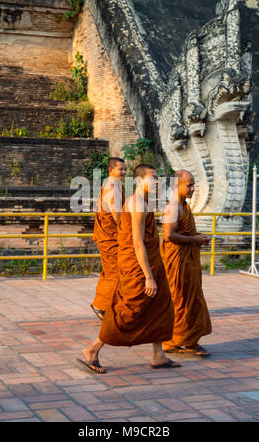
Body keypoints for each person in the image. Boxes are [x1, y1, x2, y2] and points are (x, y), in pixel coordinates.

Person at [78, 164, 180, 373]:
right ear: (139, 181)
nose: (157, 181)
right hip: (137, 265)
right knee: (129, 310)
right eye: (152, 178)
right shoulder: (136, 204)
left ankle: (158, 354)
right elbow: (137, 243)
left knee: (161, 305)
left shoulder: (144, 201)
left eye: (157, 178)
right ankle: (92, 349)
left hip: (151, 261)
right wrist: (148, 277)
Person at [161, 170, 212, 358]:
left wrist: (197, 239)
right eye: (189, 185)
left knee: (192, 298)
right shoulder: (173, 207)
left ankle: (185, 340)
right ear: (177, 185)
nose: (193, 188)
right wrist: (194, 240)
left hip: (188, 260)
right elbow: (168, 235)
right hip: (177, 262)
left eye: (193, 184)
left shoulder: (184, 206)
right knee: (180, 299)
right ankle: (179, 341)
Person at [91, 157, 127, 320]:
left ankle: (102, 304)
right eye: (120, 169)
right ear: (111, 170)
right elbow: (117, 215)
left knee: (110, 270)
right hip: (111, 237)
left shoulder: (109, 185)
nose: (124, 172)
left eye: (125, 169)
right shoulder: (113, 187)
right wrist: (129, 232)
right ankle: (102, 306)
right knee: (117, 271)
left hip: (107, 235)